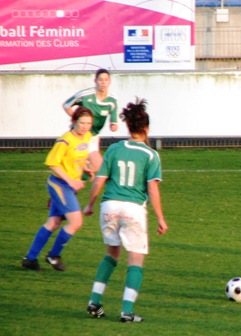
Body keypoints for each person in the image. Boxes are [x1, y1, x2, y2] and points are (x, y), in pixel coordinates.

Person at [83, 98, 169, 323]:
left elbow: (99, 180)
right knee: (135, 260)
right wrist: (161, 218)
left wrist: (90, 204)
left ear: (128, 127)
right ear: (146, 128)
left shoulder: (113, 149)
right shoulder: (151, 155)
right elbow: (152, 188)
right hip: (133, 209)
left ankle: (95, 301)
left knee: (111, 254)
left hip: (109, 206)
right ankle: (127, 311)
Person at [22, 107, 94, 271]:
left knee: (53, 222)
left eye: (88, 123)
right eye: (82, 122)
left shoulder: (87, 136)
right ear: (74, 121)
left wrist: (86, 168)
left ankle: (30, 259)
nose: (85, 126)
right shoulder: (65, 140)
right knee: (76, 222)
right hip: (60, 184)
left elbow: (78, 158)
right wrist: (71, 181)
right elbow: (52, 163)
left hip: (69, 186)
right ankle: (53, 255)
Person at [62, 68, 118, 173]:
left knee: (97, 167)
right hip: (78, 136)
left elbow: (114, 120)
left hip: (93, 137)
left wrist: (113, 125)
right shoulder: (85, 96)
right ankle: (67, 181)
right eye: (101, 80)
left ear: (110, 81)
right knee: (73, 166)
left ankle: (78, 180)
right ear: (95, 81)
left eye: (106, 80)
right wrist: (77, 119)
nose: (103, 82)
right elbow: (66, 105)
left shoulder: (112, 100)